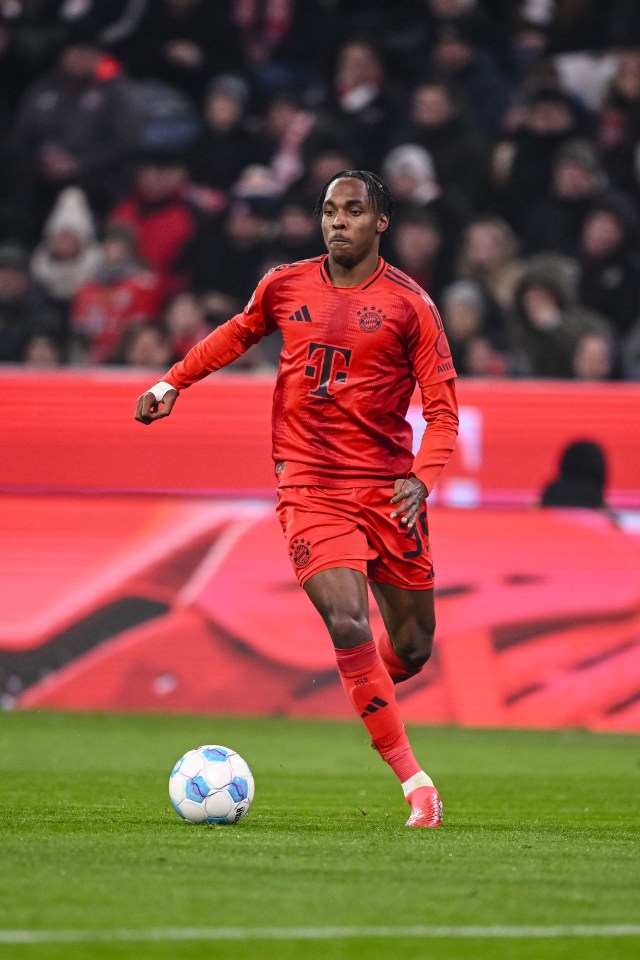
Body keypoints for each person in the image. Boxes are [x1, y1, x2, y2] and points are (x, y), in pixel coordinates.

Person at [134, 170, 459, 828]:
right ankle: (414, 781)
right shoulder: (285, 285)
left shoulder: (409, 305)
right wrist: (173, 382)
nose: (337, 222)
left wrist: (422, 477)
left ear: (380, 223)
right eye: (328, 211)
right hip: (309, 484)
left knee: (416, 646)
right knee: (347, 620)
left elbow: (444, 412)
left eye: (353, 211)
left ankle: (368, 693)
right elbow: (236, 332)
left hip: (387, 488)